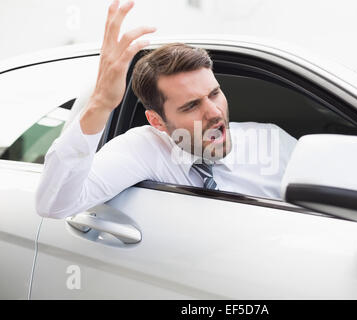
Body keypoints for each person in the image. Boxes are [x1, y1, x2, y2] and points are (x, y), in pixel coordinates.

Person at [35, 0, 297, 219]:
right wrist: (100, 104)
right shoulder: (146, 149)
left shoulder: (274, 143)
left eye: (214, 94)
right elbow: (55, 205)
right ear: (157, 122)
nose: (215, 112)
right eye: (191, 105)